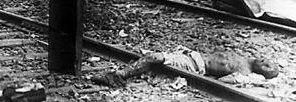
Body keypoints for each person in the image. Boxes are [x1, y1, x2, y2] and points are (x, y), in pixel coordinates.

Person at [91, 48, 279, 88]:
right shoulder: (246, 56)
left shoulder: (245, 72)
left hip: (195, 65)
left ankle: (119, 75)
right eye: (267, 59)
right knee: (153, 60)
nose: (264, 60)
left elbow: (224, 80)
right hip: (193, 55)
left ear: (263, 73)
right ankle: (121, 75)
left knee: (153, 57)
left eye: (267, 66)